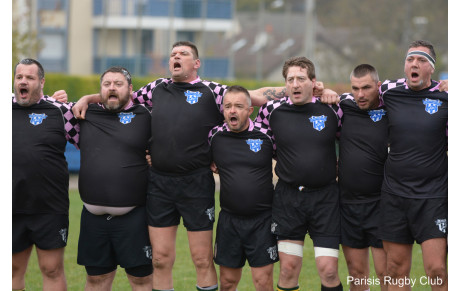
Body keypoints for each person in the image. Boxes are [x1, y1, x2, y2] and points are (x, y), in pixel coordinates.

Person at [71, 41, 333, 291]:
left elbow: (250, 97)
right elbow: (121, 95)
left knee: (201, 259)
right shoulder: (156, 89)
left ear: (196, 63)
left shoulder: (212, 91)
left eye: (182, 54)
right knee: (160, 258)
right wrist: (89, 98)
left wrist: (310, 89)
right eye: (173, 54)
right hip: (160, 183)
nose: (175, 57)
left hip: (196, 183)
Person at [255, 56, 343, 291]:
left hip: (325, 199)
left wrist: (331, 92)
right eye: (290, 79)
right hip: (288, 199)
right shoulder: (271, 111)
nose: (295, 84)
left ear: (313, 82)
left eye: (301, 79)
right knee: (288, 269)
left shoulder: (333, 108)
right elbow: (257, 141)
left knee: (329, 269)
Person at [378, 40, 447, 290]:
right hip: (395, 195)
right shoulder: (388, 91)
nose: (414, 64)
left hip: (433, 196)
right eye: (410, 60)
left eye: (421, 61)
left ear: (432, 68)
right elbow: (358, 92)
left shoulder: (446, 96)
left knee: (437, 269)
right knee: (395, 269)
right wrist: (323, 90)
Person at [76, 66, 153, 290]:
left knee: (141, 279)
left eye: (118, 84)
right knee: (96, 280)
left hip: (134, 217)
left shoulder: (146, 115)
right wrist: (83, 99)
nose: (112, 88)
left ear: (130, 89)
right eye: (107, 84)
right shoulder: (84, 114)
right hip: (92, 219)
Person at [12, 58, 79, 291]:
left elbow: (93, 143)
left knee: (51, 269)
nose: (23, 81)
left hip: (50, 206)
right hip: (11, 206)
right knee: (11, 270)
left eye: (29, 78)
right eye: (19, 77)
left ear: (41, 82)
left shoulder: (60, 110)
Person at [208, 85, 278, 291]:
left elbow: (290, 158)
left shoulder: (267, 136)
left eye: (238, 106)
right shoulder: (214, 136)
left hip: (263, 220)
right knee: (228, 283)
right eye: (227, 106)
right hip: (229, 221)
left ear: (250, 110)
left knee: (263, 282)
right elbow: (194, 157)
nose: (232, 111)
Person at [338, 64, 388, 291]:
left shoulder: (392, 105)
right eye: (355, 88)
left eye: (366, 88)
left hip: (381, 204)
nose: (360, 94)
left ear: (378, 86)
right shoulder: (345, 105)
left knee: (387, 274)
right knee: (357, 275)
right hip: (348, 205)